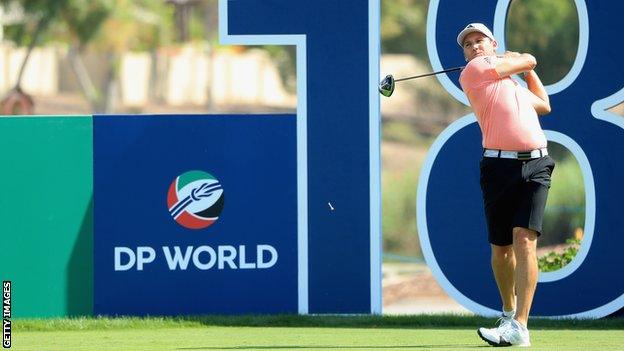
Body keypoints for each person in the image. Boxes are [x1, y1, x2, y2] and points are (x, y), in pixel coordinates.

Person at [456, 23, 555, 347]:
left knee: (524, 239)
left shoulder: (506, 82)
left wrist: (523, 72)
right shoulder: (474, 72)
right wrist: (519, 58)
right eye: (467, 44)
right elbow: (531, 58)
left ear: (492, 43)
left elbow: (543, 104)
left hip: (537, 163)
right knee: (501, 250)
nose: (473, 47)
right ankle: (509, 311)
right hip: (499, 166)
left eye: (479, 40)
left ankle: (520, 327)